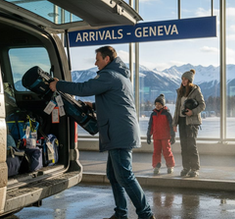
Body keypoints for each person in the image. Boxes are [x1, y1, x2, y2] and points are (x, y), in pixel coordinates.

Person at [49, 46, 155, 219]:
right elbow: (118, 102)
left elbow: (84, 88)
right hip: (120, 130)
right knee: (114, 176)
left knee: (125, 176)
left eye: (97, 59)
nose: (95, 62)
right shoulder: (120, 76)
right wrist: (95, 106)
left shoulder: (109, 75)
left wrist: (58, 84)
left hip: (119, 132)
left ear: (107, 59)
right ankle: (121, 214)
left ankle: (146, 215)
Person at [172, 69, 205, 178]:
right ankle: (186, 167)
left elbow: (202, 105)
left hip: (192, 122)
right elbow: (177, 108)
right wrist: (174, 123)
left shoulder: (196, 91)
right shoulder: (180, 92)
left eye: (185, 79)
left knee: (191, 145)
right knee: (184, 145)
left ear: (189, 80)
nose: (183, 81)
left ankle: (194, 168)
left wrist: (192, 112)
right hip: (182, 121)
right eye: (182, 79)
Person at [146, 94, 176, 175]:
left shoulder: (167, 113)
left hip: (165, 137)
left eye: (159, 104)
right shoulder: (153, 114)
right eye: (156, 104)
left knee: (167, 151)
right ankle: (156, 166)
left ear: (163, 105)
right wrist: (149, 135)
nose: (157, 106)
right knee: (156, 152)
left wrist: (172, 135)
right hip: (156, 137)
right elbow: (150, 125)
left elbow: (171, 125)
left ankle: (170, 166)